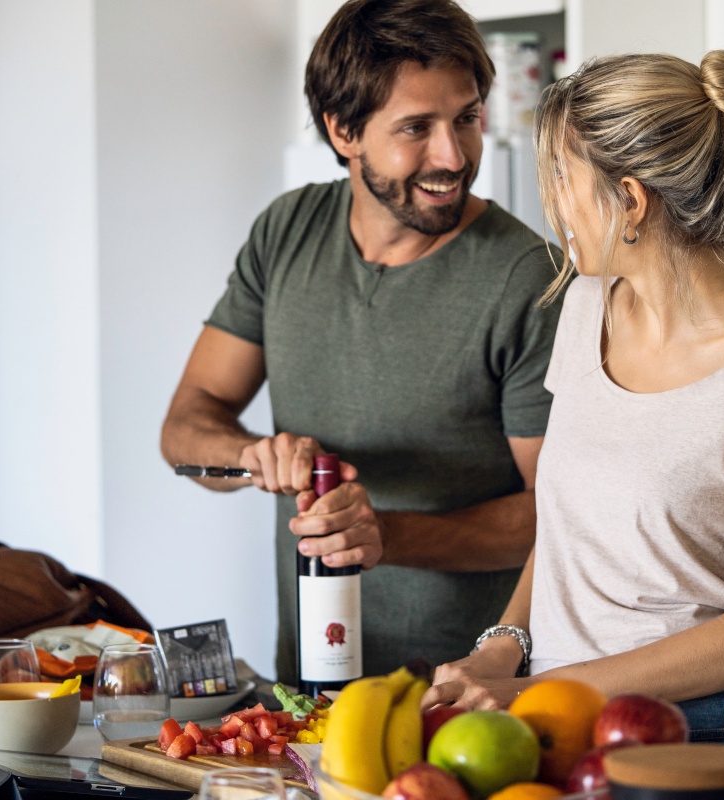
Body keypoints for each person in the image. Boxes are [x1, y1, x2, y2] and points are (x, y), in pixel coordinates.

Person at [422, 51, 724, 741]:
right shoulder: (587, 305)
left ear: (632, 199)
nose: (552, 201)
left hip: (684, 730)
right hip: (543, 720)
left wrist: (531, 691)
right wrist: (500, 650)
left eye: (563, 176)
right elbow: (571, 533)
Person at [160, 0, 562, 683]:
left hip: (469, 696)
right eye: (417, 127)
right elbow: (186, 425)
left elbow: (561, 514)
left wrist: (386, 536)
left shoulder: (530, 277)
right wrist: (254, 455)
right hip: (306, 691)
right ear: (344, 130)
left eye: (466, 116)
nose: (455, 155)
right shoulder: (287, 230)